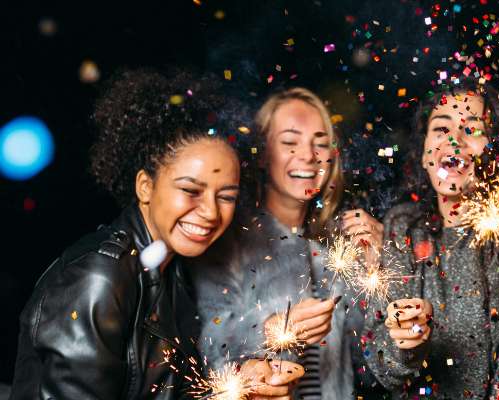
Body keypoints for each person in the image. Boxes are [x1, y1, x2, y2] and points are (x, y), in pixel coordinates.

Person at [10, 70, 301, 399]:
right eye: (191, 190)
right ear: (145, 186)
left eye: (226, 197)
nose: (211, 212)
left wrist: (241, 386)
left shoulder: (174, 269)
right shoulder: (98, 280)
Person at [190, 87, 383, 400]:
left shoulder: (338, 247)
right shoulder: (227, 238)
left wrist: (374, 270)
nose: (308, 155)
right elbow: (211, 354)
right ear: (263, 153)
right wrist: (273, 331)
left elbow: (371, 370)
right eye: (290, 142)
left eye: (320, 143)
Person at [364, 80, 499, 398]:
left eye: (472, 130)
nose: (454, 142)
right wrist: (407, 347)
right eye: (441, 129)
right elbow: (379, 357)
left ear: (493, 150)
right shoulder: (403, 225)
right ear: (424, 151)